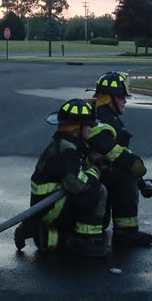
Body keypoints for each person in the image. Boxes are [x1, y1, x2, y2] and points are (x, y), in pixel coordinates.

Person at [14, 98, 109, 257]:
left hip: (46, 206)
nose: (90, 129)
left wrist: (92, 159)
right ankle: (86, 242)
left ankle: (36, 227)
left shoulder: (66, 144)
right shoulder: (67, 150)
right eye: (87, 126)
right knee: (98, 191)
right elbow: (77, 184)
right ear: (77, 128)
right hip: (51, 208)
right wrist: (95, 170)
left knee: (91, 191)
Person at [87, 71, 152, 246]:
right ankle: (126, 232)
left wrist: (140, 180)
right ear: (110, 98)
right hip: (93, 178)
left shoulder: (104, 115)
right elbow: (108, 149)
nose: (125, 100)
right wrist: (133, 164)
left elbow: (118, 152)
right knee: (125, 178)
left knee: (127, 173)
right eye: (121, 97)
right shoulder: (102, 118)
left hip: (95, 178)